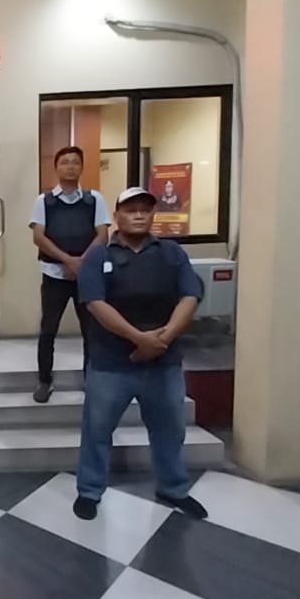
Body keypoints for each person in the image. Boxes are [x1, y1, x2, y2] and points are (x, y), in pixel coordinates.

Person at [73, 186, 208, 521]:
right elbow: (96, 304)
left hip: (164, 363)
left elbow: (189, 296)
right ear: (117, 216)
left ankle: (173, 488)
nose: (138, 216)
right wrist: (139, 339)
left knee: (169, 431)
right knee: (97, 431)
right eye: (130, 210)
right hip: (110, 364)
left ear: (152, 215)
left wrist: (163, 339)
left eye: (144, 210)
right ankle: (89, 491)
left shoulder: (172, 253)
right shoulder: (99, 256)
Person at [28, 147, 110, 402]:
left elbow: (103, 235)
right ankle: (44, 381)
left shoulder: (94, 199)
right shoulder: (44, 201)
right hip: (54, 274)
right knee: (48, 330)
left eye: (75, 162)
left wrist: (81, 263)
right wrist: (67, 260)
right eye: (64, 162)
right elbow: (38, 237)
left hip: (87, 275)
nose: (70, 166)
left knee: (91, 331)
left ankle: (91, 379)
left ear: (82, 167)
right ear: (56, 168)